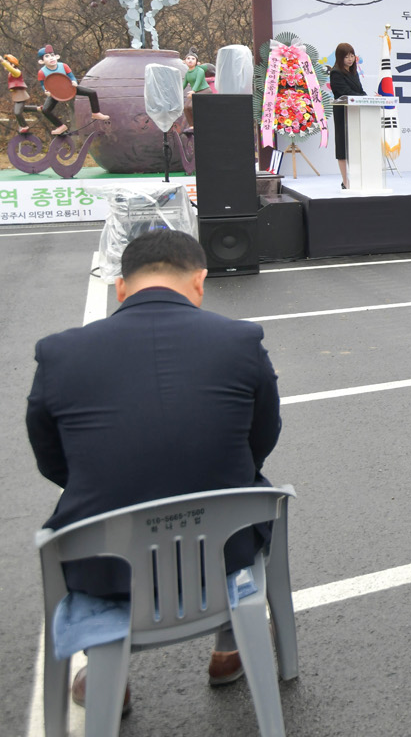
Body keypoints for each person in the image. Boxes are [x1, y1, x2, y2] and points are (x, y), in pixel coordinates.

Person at [26, 231, 282, 709]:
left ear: (121, 288)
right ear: (200, 281)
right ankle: (230, 648)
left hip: (104, 561)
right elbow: (262, 438)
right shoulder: (240, 340)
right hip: (222, 550)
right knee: (246, 494)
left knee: (97, 505)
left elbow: (52, 459)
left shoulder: (59, 353)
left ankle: (108, 675)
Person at [36, 45, 110, 135]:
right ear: (41, 61)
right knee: (45, 110)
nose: (51, 58)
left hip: (69, 88)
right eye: (47, 56)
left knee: (92, 93)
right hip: (55, 92)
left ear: (57, 56)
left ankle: (95, 113)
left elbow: (71, 76)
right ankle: (60, 126)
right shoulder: (42, 72)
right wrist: (46, 91)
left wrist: (74, 81)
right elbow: (43, 84)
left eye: (52, 55)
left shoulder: (63, 66)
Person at [327, 42, 367, 190]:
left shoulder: (354, 72)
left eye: (352, 56)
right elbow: (345, 92)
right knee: (343, 147)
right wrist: (362, 97)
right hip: (343, 112)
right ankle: (345, 181)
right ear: (340, 57)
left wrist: (368, 98)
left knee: (355, 146)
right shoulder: (336, 72)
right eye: (346, 57)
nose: (350, 59)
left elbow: (360, 90)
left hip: (355, 112)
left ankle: (357, 178)